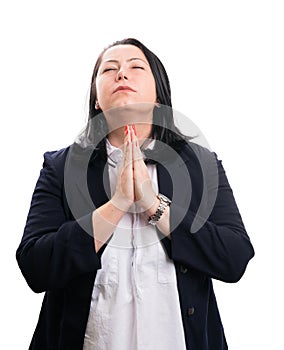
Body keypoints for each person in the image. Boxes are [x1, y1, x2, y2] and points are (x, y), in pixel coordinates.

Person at [16, 38, 255, 350]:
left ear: (158, 97)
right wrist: (117, 205)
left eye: (136, 67)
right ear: (97, 101)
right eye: (109, 69)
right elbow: (35, 265)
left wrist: (152, 204)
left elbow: (234, 258)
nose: (121, 75)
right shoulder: (60, 167)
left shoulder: (201, 165)